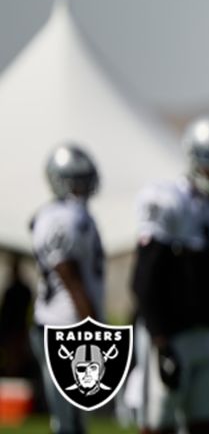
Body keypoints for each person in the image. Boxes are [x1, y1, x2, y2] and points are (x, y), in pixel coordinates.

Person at [131, 114, 209, 434]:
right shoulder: (169, 201)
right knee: (158, 424)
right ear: (193, 158)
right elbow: (144, 279)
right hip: (170, 334)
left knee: (206, 423)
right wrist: (161, 341)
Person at [29, 143, 105, 434]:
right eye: (77, 179)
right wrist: (93, 324)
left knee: (75, 417)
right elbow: (69, 274)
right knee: (68, 420)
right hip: (63, 324)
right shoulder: (63, 217)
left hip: (64, 322)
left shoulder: (66, 214)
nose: (84, 185)